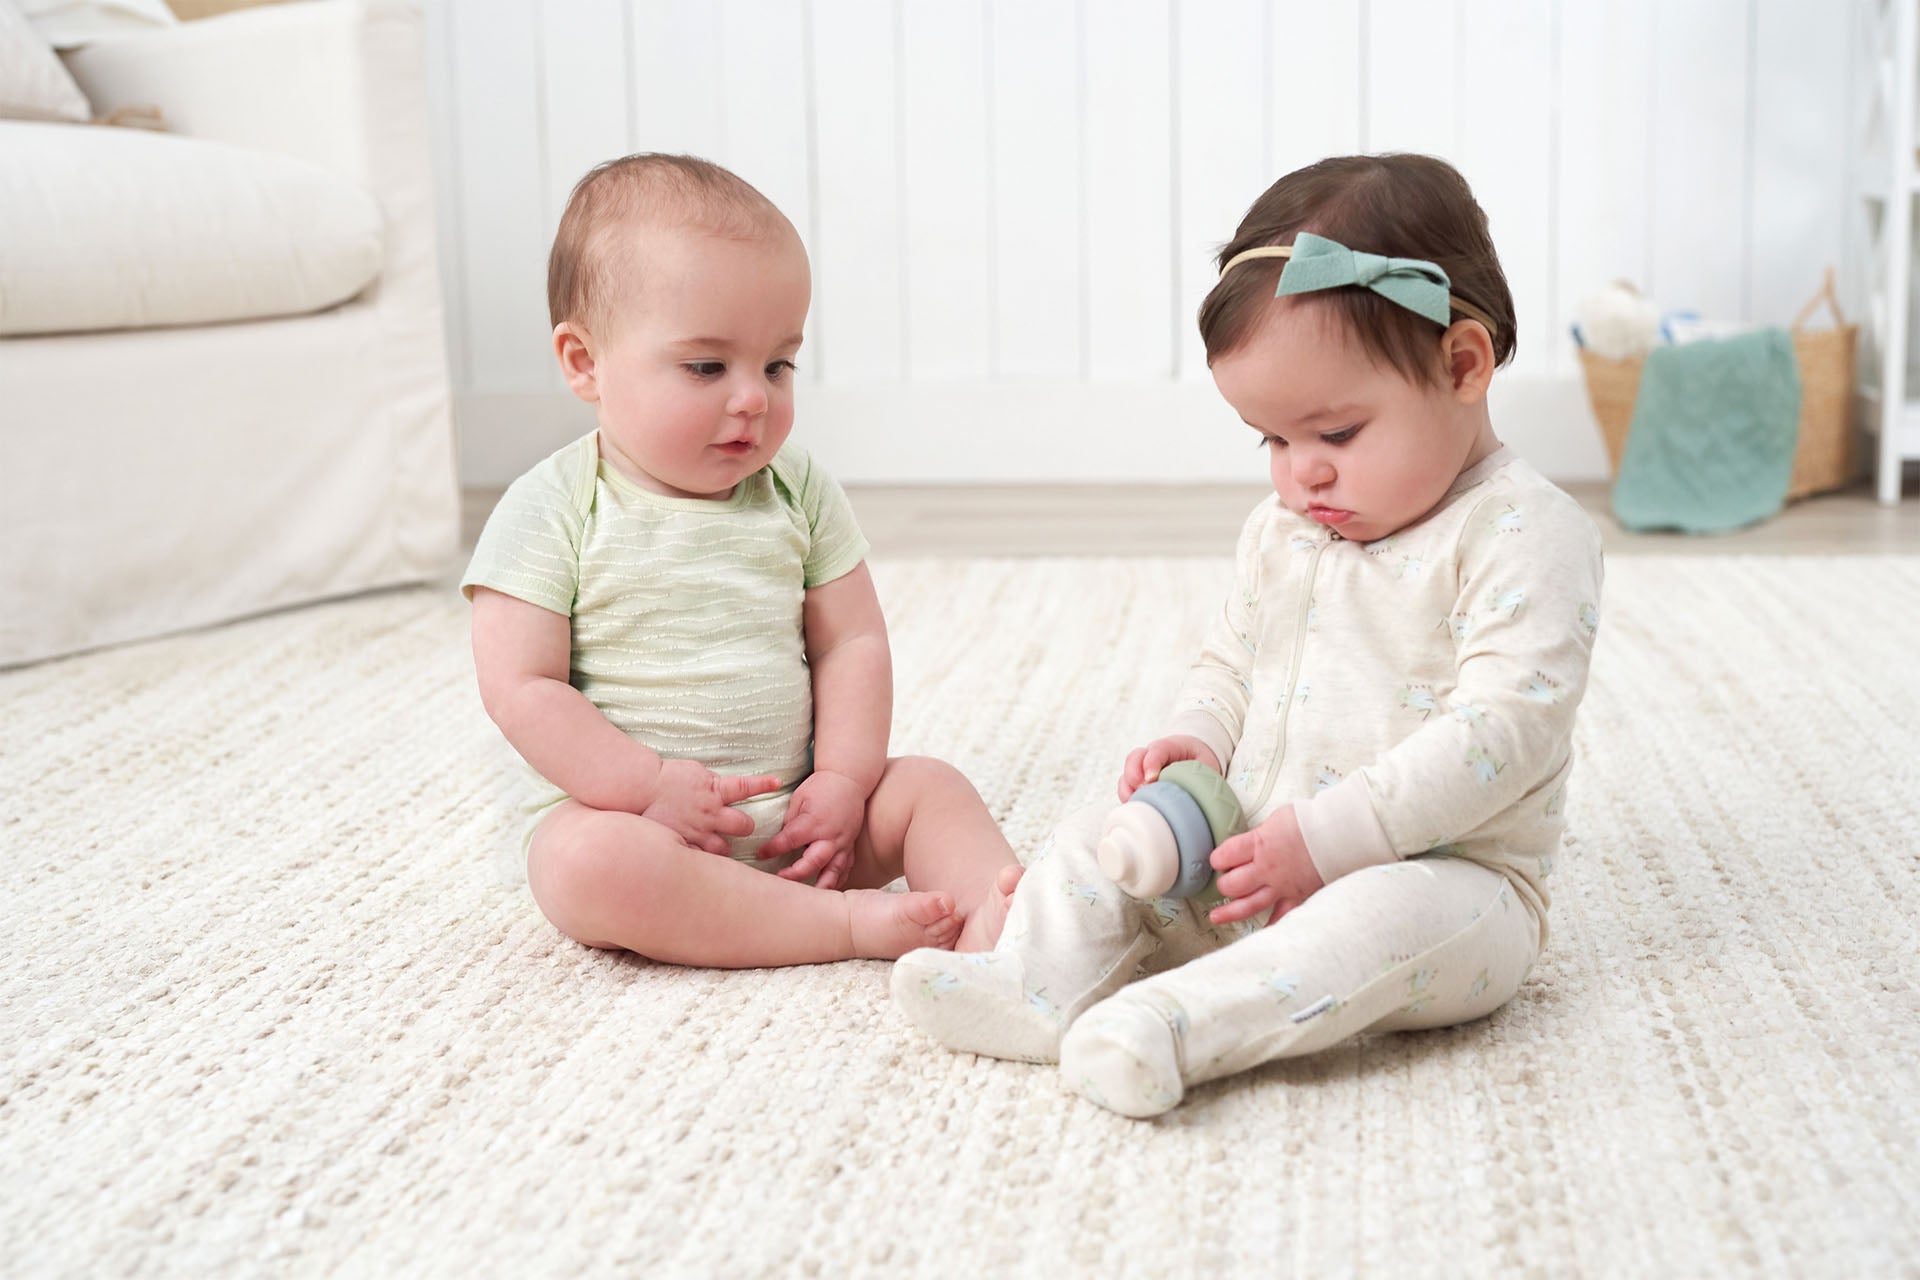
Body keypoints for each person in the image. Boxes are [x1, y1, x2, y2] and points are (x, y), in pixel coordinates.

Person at [891, 153, 1604, 1117]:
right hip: (1247, 856)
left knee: (1369, 925)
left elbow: (1506, 732)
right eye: (1271, 440)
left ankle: (1175, 1024)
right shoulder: (1285, 530)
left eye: (1336, 434)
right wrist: (1199, 738)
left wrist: (1331, 841)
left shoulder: (1524, 531)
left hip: (1444, 881)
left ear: (1461, 366)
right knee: (1093, 842)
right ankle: (1033, 983)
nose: (1301, 475)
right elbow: (1233, 661)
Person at [464, 153, 1021, 967]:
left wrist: (842, 780)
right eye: (706, 367)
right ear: (585, 362)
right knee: (580, 865)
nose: (754, 397)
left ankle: (1007, 924)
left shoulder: (797, 489)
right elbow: (521, 688)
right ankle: (838, 927)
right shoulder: (551, 508)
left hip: (803, 825)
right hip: (644, 829)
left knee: (930, 788)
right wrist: (647, 786)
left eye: (777, 364)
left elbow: (851, 642)